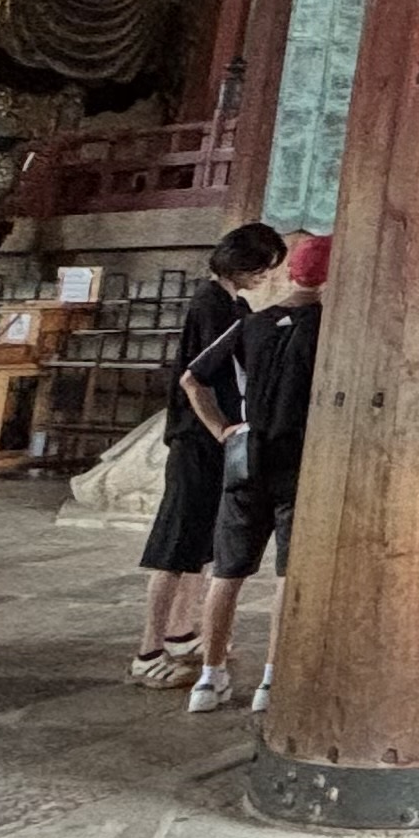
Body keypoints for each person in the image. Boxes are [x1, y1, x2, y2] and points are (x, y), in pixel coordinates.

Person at [176, 231, 327, 716]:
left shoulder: (252, 323)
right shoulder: (328, 329)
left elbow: (192, 378)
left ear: (290, 274)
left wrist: (223, 430)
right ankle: (271, 681)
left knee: (227, 572)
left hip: (247, 457)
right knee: (289, 575)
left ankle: (209, 677)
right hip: (299, 461)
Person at [132, 221, 287, 687]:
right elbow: (199, 377)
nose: (265, 276)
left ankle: (181, 632)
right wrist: (219, 427)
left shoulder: (234, 305)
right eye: (261, 267)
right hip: (197, 437)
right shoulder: (211, 305)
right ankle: (147, 650)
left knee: (201, 542)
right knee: (174, 543)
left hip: (218, 439)